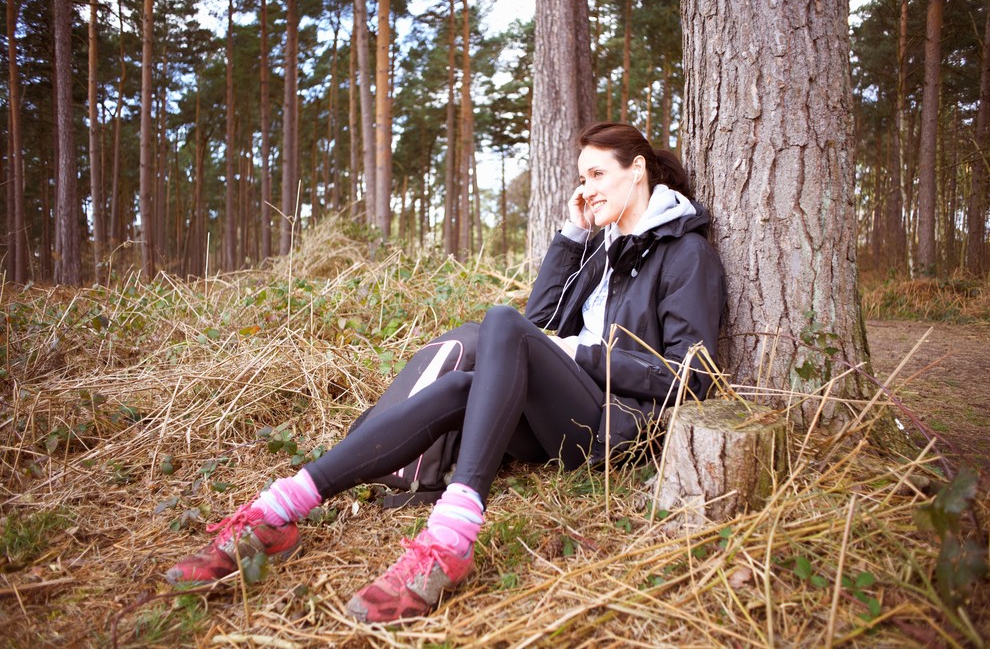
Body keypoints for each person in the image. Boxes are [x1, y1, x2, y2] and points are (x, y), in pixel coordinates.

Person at [165, 122, 727, 623]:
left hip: (616, 425)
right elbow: (535, 328)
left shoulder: (685, 253)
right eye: (581, 176)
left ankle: (452, 537)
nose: (586, 188)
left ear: (638, 170)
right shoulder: (603, 250)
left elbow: (691, 376)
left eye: (598, 173)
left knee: (499, 323)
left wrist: (577, 355)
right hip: (565, 414)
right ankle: (279, 511)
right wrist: (571, 239)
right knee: (462, 381)